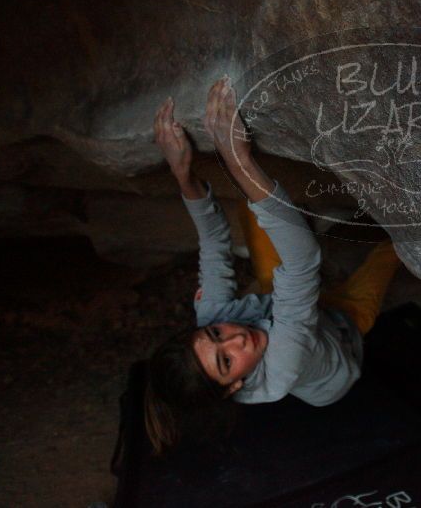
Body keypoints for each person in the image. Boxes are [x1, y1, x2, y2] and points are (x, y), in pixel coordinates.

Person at [144, 76, 401, 454]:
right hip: (344, 330)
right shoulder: (284, 363)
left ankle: (310, 217)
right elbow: (301, 263)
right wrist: (239, 160)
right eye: (227, 360)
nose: (235, 338)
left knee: (252, 215)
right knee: (393, 248)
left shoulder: (215, 322)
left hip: (284, 306)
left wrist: (181, 173)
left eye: (215, 333)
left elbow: (214, 241)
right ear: (234, 386)